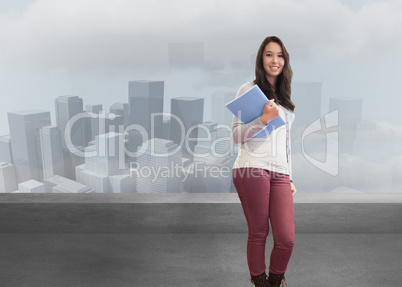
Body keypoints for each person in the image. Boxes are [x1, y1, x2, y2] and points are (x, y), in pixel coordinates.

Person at [231, 36, 296, 287]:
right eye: (269, 55)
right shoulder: (248, 90)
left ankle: (276, 280)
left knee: (286, 239)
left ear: (285, 61)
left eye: (279, 55)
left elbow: (287, 145)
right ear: (261, 59)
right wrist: (264, 119)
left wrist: (289, 177)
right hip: (251, 168)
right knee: (259, 233)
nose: (274, 60)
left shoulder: (287, 102)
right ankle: (261, 283)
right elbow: (237, 136)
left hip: (280, 172)